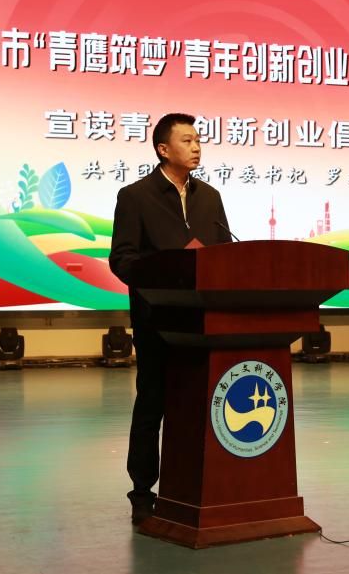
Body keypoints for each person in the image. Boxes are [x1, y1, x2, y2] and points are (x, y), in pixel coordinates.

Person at [108, 113, 232, 525]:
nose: (196, 147)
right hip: (158, 321)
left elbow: (223, 256)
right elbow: (122, 259)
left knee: (203, 405)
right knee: (152, 404)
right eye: (187, 140)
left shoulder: (210, 197)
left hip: (204, 323)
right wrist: (166, 273)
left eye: (198, 140)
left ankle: (200, 486)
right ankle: (142, 491)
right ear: (163, 149)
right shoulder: (136, 196)